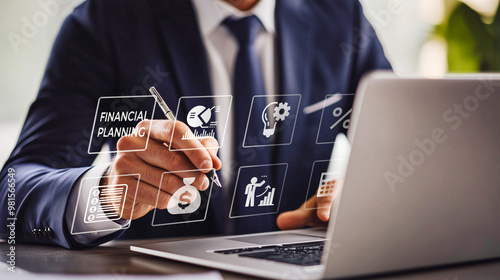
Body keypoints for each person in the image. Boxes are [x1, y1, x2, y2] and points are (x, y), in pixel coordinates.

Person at [0, 0, 391, 249]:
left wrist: (361, 199)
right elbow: (13, 192)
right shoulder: (107, 21)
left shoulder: (340, 17)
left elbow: (409, 155)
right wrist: (107, 194)